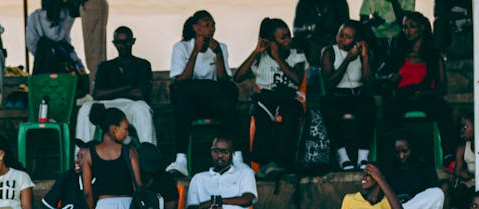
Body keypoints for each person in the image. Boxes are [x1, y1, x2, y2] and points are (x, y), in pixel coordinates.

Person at [165, 11, 241, 177]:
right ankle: (181, 160)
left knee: (229, 97)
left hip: (214, 100)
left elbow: (222, 80)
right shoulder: (182, 47)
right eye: (207, 25)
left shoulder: (220, 47)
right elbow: (181, 79)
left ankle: (237, 158)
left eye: (213, 25)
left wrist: (218, 54)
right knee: (182, 98)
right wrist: (196, 52)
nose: (211, 29)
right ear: (196, 28)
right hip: (191, 100)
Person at [381, 12, 456, 164]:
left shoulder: (434, 56)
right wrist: (391, 78)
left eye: (411, 27)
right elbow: (380, 75)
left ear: (422, 28)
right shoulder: (398, 54)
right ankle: (393, 156)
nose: (407, 31)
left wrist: (425, 93)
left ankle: (449, 154)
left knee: (444, 110)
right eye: (404, 27)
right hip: (404, 96)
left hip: (426, 95)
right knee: (390, 110)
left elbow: (443, 88)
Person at [236, 18, 306, 178]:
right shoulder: (261, 59)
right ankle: (264, 163)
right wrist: (256, 52)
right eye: (283, 37)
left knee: (292, 112)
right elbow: (238, 77)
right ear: (271, 41)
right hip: (267, 100)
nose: (288, 40)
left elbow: (296, 79)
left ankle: (282, 162)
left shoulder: (297, 55)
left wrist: (278, 58)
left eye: (288, 35)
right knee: (259, 115)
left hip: (288, 99)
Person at [74, 27, 156, 146]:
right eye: (119, 42)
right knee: (86, 108)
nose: (123, 45)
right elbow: (97, 94)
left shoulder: (142, 64)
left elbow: (141, 94)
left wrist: (110, 92)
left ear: (133, 42)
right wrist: (127, 87)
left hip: (131, 106)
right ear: (114, 44)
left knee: (142, 108)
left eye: (126, 42)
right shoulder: (105, 66)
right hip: (107, 107)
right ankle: (82, 156)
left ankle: (149, 155)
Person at [321, 20, 374, 170]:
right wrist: (347, 60)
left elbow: (369, 85)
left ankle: (363, 157)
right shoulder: (329, 52)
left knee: (368, 104)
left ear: (356, 40)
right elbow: (329, 84)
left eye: (348, 37)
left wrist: (365, 59)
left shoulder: (364, 53)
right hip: (336, 96)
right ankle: (342, 156)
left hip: (357, 95)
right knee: (327, 105)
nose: (342, 40)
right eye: (340, 35)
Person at [383, 133, 446, 209]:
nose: (401, 155)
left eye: (405, 151)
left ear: (413, 149)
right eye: (397, 152)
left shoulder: (425, 168)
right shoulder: (389, 171)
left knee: (438, 193)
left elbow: (432, 199)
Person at [26, 0, 84, 74]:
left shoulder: (65, 14)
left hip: (63, 58)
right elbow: (32, 44)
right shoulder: (34, 17)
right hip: (44, 61)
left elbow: (58, 37)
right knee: (44, 44)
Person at [293, 0, 350, 66]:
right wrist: (310, 28)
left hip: (333, 44)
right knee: (294, 43)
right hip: (310, 45)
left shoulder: (340, 3)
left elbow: (348, 28)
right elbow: (296, 30)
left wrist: (329, 29)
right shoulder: (304, 3)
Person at [77, 0, 110, 74]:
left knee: (94, 52)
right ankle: (98, 79)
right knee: (96, 51)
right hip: (93, 6)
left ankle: (96, 81)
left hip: (91, 6)